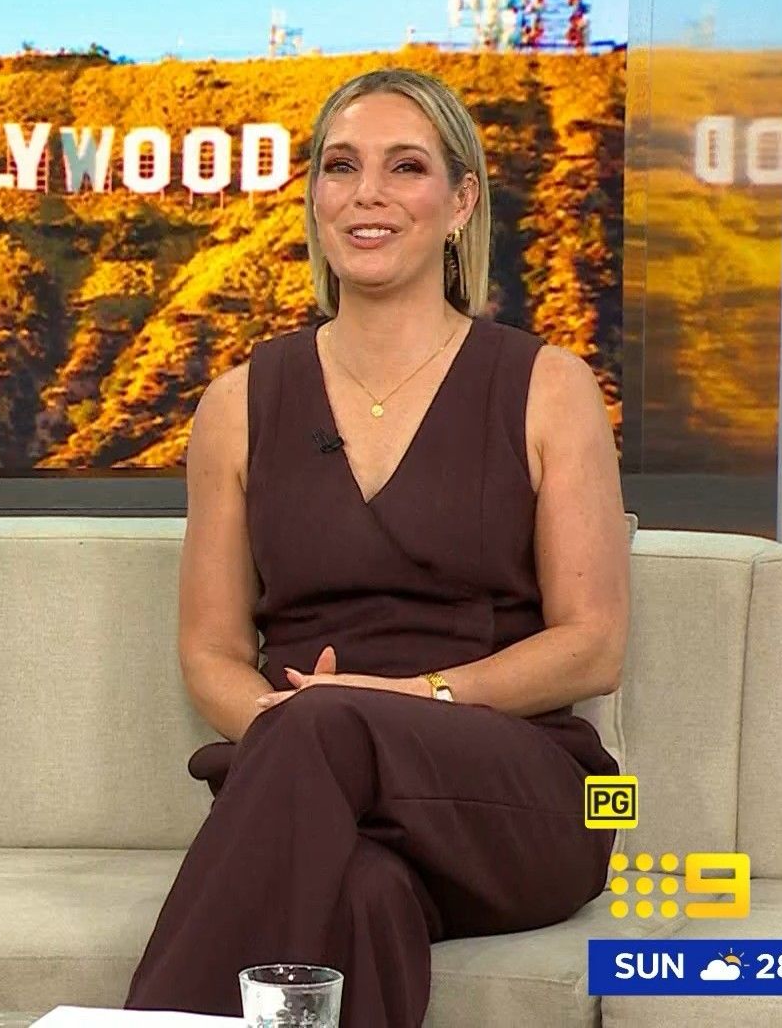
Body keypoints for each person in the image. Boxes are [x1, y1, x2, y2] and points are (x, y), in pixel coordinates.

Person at [124, 68, 627, 1027]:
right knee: (361, 899)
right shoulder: (238, 403)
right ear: (314, 197)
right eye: (341, 167)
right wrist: (291, 729)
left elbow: (593, 647)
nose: (368, 195)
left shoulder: (548, 386)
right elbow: (211, 651)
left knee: (321, 728)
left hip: (518, 789)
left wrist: (395, 703)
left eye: (406, 168)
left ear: (461, 201)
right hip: (311, 785)